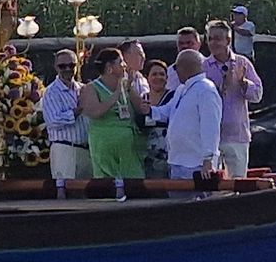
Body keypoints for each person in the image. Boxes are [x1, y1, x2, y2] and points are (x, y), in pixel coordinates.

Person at [204, 20, 264, 177]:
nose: (213, 43)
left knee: (238, 183)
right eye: (210, 39)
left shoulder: (243, 63)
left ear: (228, 41)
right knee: (213, 186)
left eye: (217, 38)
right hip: (211, 138)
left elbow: (257, 95)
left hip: (237, 136)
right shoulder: (203, 67)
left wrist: (243, 83)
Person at [151, 49, 223, 180]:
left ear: (184, 68)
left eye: (176, 68)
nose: (176, 72)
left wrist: (208, 160)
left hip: (197, 165)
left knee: (197, 200)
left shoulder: (206, 90)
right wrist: (149, 111)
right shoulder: (181, 89)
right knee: (177, 199)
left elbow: (211, 127)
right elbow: (167, 111)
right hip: (177, 161)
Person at [78, 47, 148, 179]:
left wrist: (130, 87)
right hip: (103, 143)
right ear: (109, 67)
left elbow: (141, 109)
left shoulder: (126, 86)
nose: (124, 66)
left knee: (134, 180)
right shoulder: (91, 88)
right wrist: (116, 93)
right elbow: (95, 112)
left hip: (128, 146)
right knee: (107, 184)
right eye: (120, 62)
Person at [38, 49, 89, 180]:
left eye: (71, 65)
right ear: (56, 67)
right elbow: (53, 121)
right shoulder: (51, 92)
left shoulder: (84, 89)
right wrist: (77, 111)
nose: (67, 69)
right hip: (64, 149)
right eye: (62, 66)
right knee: (65, 192)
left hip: (86, 149)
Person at [140, 59, 174, 178]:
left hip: (168, 151)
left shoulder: (173, 97)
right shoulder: (142, 98)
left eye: (162, 74)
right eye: (154, 74)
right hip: (147, 152)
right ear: (147, 77)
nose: (158, 77)